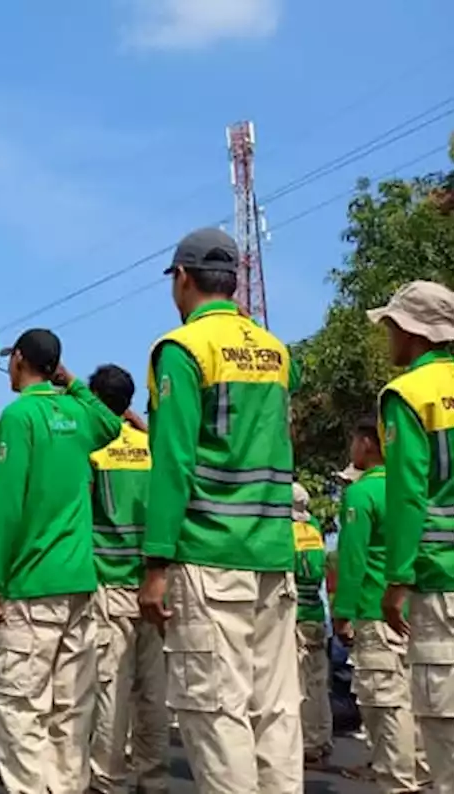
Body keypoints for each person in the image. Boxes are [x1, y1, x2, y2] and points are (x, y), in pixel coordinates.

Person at [138, 228, 301, 793]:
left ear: (182, 278)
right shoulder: (276, 353)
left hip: (210, 559)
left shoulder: (181, 351)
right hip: (272, 559)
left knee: (216, 713)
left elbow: (173, 462)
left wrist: (156, 563)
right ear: (233, 282)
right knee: (276, 711)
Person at [0, 330, 122, 793]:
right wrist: (72, 381)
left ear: (19, 360)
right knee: (71, 710)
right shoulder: (79, 414)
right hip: (79, 583)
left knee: (22, 709)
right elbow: (113, 423)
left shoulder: (20, 415)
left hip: (31, 585)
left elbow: (8, 505)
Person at [370, 281, 455, 793]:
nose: (387, 337)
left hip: (440, 573)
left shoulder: (406, 395)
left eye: (390, 326)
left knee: (443, 727)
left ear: (411, 332)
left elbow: (407, 494)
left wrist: (397, 579)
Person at [85, 364, 168, 794]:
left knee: (111, 692)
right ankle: (154, 779)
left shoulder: (94, 452)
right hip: (154, 587)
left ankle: (107, 780)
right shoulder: (153, 448)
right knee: (153, 693)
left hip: (109, 585)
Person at [333, 413, 427, 791]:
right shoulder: (414, 487)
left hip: (375, 611)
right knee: (418, 703)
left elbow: (352, 561)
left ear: (368, 444)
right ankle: (423, 775)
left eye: (354, 442)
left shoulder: (362, 493)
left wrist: (342, 613)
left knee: (384, 706)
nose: (352, 450)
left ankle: (397, 781)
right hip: (416, 608)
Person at [292, 482, 333, 767]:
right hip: (317, 612)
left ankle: (307, 744)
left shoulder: (284, 530)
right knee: (319, 683)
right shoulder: (314, 527)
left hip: (295, 613)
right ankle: (321, 739)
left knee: (300, 683)